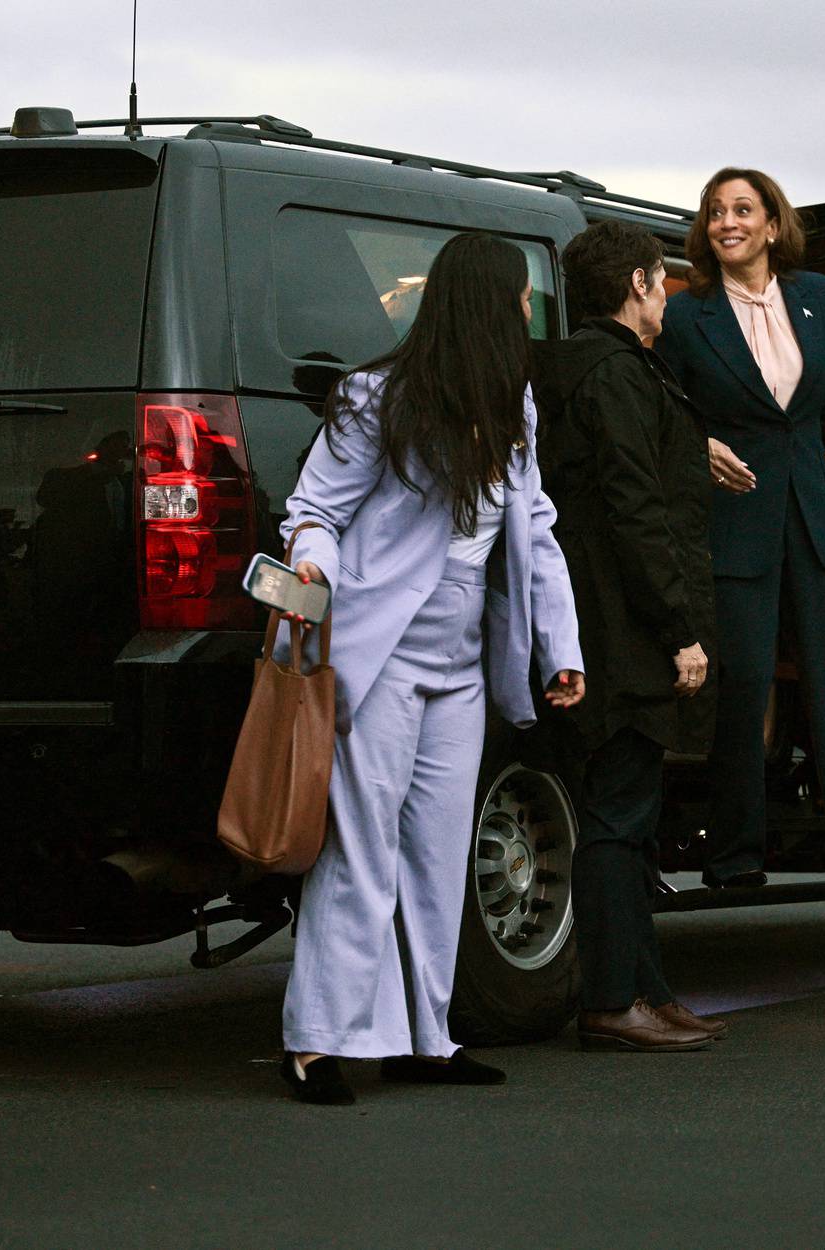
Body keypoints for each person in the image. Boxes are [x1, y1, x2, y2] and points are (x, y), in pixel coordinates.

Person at [276, 232, 585, 1104]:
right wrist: (311, 569)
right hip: (377, 655)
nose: (528, 315)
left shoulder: (513, 406)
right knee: (359, 848)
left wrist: (558, 649)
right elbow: (313, 511)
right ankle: (321, 1042)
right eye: (520, 300)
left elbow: (536, 530)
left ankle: (426, 1037)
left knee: (439, 852)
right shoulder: (378, 397)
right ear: (488, 307)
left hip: (460, 667)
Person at [656, 168, 825, 917]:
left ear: (774, 224)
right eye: (715, 213)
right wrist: (699, 444)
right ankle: (735, 856)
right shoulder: (686, 316)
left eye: (742, 210)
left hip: (811, 519)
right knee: (741, 694)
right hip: (734, 524)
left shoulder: (817, 296)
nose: (726, 223)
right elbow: (661, 411)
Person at [533, 220, 723, 1053]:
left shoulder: (573, 369)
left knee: (630, 812)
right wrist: (677, 627)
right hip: (622, 627)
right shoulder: (614, 373)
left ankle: (648, 986)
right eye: (662, 281)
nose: (668, 296)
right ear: (640, 285)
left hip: (588, 620)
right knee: (617, 814)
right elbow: (634, 508)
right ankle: (613, 999)